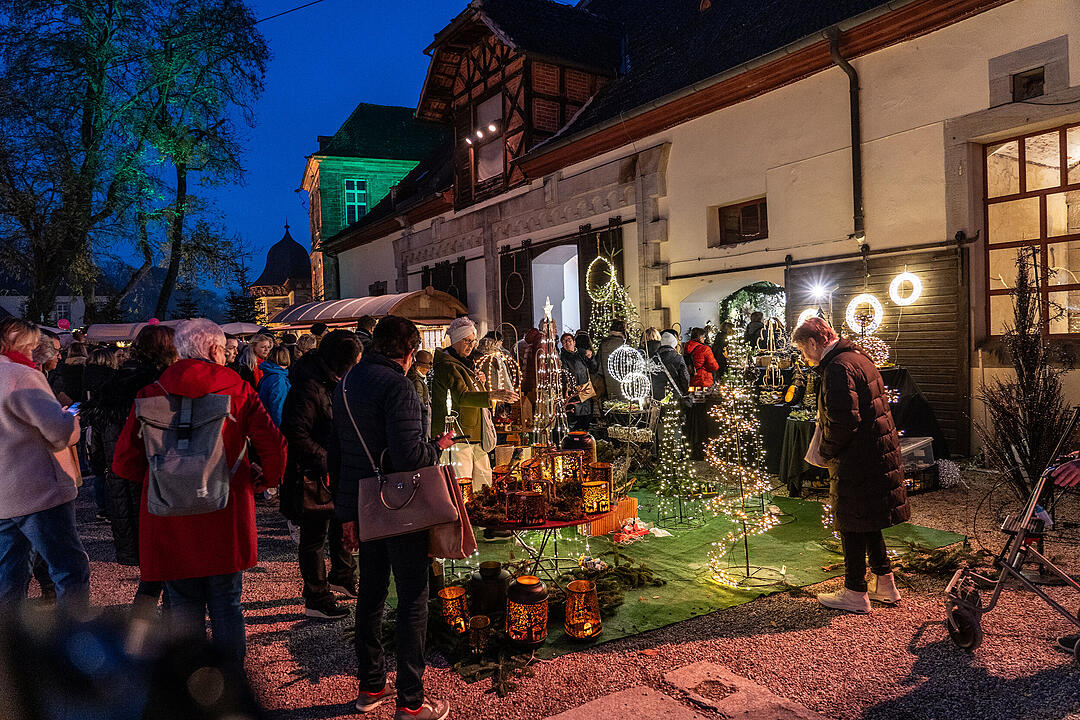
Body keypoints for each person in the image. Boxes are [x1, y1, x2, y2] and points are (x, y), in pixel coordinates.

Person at [111, 319, 286, 668]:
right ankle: (230, 686)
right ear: (212, 350)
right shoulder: (237, 389)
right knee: (227, 605)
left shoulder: (151, 393)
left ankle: (191, 686)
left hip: (169, 515)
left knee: (183, 609)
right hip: (226, 508)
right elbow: (275, 445)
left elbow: (123, 462)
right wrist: (263, 480)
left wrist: (162, 477)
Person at [329, 315, 455, 720]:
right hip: (400, 507)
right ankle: (411, 702)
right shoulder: (397, 385)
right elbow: (409, 458)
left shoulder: (347, 383)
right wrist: (437, 446)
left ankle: (370, 687)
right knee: (413, 598)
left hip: (364, 505)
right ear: (408, 350)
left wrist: (346, 514)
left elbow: (341, 456)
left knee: (371, 594)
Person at [792, 317, 908, 614]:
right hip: (875, 452)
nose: (805, 357)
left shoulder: (837, 368)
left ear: (813, 343)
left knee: (852, 522)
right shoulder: (857, 357)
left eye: (803, 350)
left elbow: (844, 421)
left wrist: (826, 451)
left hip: (857, 457)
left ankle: (855, 591)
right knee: (868, 518)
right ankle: (885, 583)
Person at [83, 324, 177, 606]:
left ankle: (144, 619)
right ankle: (171, 627)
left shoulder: (116, 383)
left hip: (122, 474)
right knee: (167, 554)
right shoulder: (157, 384)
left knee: (152, 559)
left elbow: (101, 437)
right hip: (151, 475)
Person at [0, 318, 89, 608]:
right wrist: (70, 421)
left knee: (9, 575)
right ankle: (72, 641)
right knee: (69, 569)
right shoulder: (21, 375)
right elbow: (58, 431)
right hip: (38, 489)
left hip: (4, 493)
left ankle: (9, 644)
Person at [280, 330, 362, 620]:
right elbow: (295, 431)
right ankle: (317, 596)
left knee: (341, 525)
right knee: (314, 538)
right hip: (311, 475)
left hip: (332, 468)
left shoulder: (330, 381)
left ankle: (342, 577)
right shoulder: (309, 387)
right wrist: (325, 458)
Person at [430, 317, 517, 493]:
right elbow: (462, 397)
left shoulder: (464, 365)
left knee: (483, 481)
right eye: (466, 341)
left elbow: (471, 392)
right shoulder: (448, 366)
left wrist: (480, 383)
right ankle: (465, 516)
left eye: (473, 341)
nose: (471, 346)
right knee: (463, 482)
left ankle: (482, 512)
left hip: (475, 434)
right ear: (455, 341)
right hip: (458, 435)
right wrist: (492, 394)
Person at [560, 332, 597, 430]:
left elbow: (593, 368)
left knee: (586, 418)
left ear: (574, 342)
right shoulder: (562, 357)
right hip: (574, 393)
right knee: (575, 419)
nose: (567, 343)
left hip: (585, 390)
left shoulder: (582, 353)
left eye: (569, 340)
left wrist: (591, 358)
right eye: (564, 341)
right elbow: (564, 375)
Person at [258, 345, 292, 428]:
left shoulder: (269, 374)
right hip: (274, 425)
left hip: (265, 420)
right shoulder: (278, 379)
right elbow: (277, 407)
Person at [650, 331, 690, 401]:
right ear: (674, 343)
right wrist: (685, 391)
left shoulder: (654, 358)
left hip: (657, 397)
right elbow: (685, 377)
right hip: (674, 394)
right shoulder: (678, 358)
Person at [596, 319, 628, 402]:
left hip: (607, 386)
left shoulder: (604, 343)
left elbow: (598, 365)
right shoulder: (626, 344)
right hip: (624, 384)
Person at [408, 349, 434, 440]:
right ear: (419, 366)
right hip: (422, 423)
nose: (428, 370)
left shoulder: (416, 378)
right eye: (426, 368)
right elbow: (420, 406)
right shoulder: (417, 381)